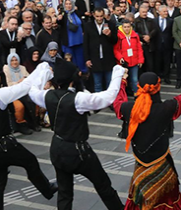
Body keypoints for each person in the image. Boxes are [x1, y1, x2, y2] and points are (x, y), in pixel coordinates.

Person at [28, 61, 126, 210]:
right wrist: (117, 73)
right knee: (103, 186)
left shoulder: (47, 95)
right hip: (78, 151)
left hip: (57, 147)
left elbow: (32, 90)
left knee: (65, 193)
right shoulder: (78, 99)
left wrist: (42, 73)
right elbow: (108, 97)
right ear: (72, 80)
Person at [0, 54, 58, 210]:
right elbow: (26, 85)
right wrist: (42, 68)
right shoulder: (0, 95)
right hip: (2, 145)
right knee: (30, 161)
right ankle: (46, 189)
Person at [113, 66, 181, 210]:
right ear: (158, 87)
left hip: (141, 164)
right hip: (162, 162)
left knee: (141, 198)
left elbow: (117, 102)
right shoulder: (167, 107)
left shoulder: (129, 108)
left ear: (139, 87)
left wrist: (122, 80)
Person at [84, 8, 118, 92]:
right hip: (95, 59)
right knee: (97, 84)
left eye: (101, 16)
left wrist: (109, 35)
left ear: (104, 15)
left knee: (109, 83)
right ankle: (99, 104)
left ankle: (110, 103)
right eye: (97, 16)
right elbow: (85, 43)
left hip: (108, 59)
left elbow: (115, 40)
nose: (99, 18)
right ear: (93, 15)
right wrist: (87, 59)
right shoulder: (88, 26)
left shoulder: (110, 24)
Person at [114, 19, 144, 94]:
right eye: (125, 27)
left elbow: (139, 49)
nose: (127, 29)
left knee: (134, 79)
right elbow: (116, 49)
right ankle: (122, 94)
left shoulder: (135, 35)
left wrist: (140, 60)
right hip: (124, 62)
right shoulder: (118, 36)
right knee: (123, 80)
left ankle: (136, 94)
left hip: (134, 61)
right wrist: (120, 58)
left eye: (128, 27)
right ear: (122, 27)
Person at [59, 0, 86, 71]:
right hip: (69, 42)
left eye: (70, 4)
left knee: (81, 60)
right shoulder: (63, 14)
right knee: (71, 62)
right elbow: (60, 24)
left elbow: (82, 23)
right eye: (66, 4)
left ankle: (83, 74)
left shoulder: (76, 12)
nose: (68, 6)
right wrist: (59, 19)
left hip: (79, 41)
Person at [134, 4, 158, 73]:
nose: (145, 14)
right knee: (141, 66)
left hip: (150, 45)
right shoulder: (136, 21)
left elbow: (155, 29)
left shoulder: (151, 20)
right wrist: (143, 37)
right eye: (143, 12)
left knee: (150, 65)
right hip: (140, 45)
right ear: (139, 12)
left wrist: (149, 36)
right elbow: (135, 32)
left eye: (146, 12)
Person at [155, 5, 174, 84]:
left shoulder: (170, 21)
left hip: (167, 45)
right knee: (157, 62)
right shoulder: (154, 21)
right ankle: (158, 77)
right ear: (159, 12)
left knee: (167, 61)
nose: (166, 13)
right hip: (157, 45)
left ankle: (167, 77)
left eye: (167, 11)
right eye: (164, 11)